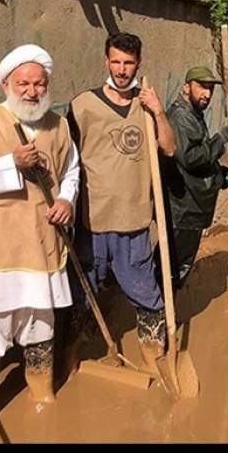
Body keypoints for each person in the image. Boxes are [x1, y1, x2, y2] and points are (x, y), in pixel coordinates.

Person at [0, 44, 79, 427]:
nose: (31, 91)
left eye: (38, 84)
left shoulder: (57, 125)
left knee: (41, 323)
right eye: (23, 84)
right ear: (7, 84)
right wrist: (11, 164)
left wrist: (66, 198)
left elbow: (72, 170)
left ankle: (43, 393)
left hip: (44, 243)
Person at [66, 32, 176, 374]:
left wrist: (158, 112)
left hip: (134, 222)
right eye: (116, 61)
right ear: (106, 61)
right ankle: (69, 361)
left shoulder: (147, 107)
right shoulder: (82, 105)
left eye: (129, 63)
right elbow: (65, 159)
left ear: (138, 64)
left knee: (147, 297)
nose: (122, 69)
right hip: (92, 221)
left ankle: (154, 362)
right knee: (80, 298)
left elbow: (170, 148)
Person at [161, 65, 228, 287]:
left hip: (192, 209)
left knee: (177, 267)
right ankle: (160, 314)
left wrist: (222, 176)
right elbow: (191, 159)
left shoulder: (193, 115)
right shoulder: (180, 116)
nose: (207, 93)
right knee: (171, 269)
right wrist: (222, 138)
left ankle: (168, 310)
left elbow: (201, 164)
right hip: (183, 209)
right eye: (202, 87)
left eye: (210, 88)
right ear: (187, 87)